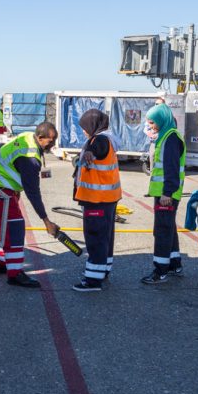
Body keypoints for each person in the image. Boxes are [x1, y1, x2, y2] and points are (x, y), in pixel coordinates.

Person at [0, 122, 61, 288]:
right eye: (51, 141)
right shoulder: (30, 158)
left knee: (7, 226)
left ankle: (1, 262)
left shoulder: (29, 137)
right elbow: (33, 192)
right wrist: (46, 221)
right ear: (39, 138)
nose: (53, 145)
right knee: (15, 227)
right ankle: (15, 273)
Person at [72, 109, 121, 292]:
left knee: (95, 238)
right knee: (105, 237)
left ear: (93, 126)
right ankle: (103, 269)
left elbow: (97, 150)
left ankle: (93, 280)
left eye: (85, 128)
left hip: (97, 199)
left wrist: (89, 152)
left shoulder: (99, 140)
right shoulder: (108, 138)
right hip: (107, 198)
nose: (84, 131)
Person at [140, 103, 186, 284]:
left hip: (166, 195)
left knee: (162, 231)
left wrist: (167, 192)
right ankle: (174, 264)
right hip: (164, 193)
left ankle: (160, 271)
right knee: (169, 229)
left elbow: (171, 167)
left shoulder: (170, 138)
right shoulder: (166, 136)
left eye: (152, 122)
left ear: (161, 119)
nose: (151, 126)